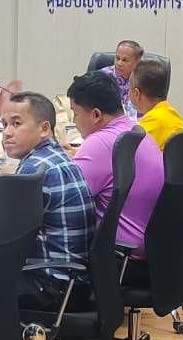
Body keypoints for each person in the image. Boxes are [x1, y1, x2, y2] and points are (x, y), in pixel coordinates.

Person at [0, 92, 94, 311]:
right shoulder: (56, 157)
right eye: (4, 124)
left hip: (52, 287)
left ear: (44, 129)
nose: (7, 132)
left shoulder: (35, 169)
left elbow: (3, 232)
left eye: (16, 124)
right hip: (75, 281)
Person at [67, 71, 163, 249]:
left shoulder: (98, 143)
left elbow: (64, 200)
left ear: (96, 115)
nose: (74, 120)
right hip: (154, 243)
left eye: (75, 113)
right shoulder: (135, 130)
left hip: (123, 249)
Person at [126, 59, 183, 148]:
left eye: (129, 88)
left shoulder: (152, 122)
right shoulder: (170, 111)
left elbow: (128, 149)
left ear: (137, 93)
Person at [101, 40, 143, 121]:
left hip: (139, 122)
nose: (119, 63)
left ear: (137, 62)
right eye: (117, 58)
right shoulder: (103, 76)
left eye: (124, 60)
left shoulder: (143, 79)